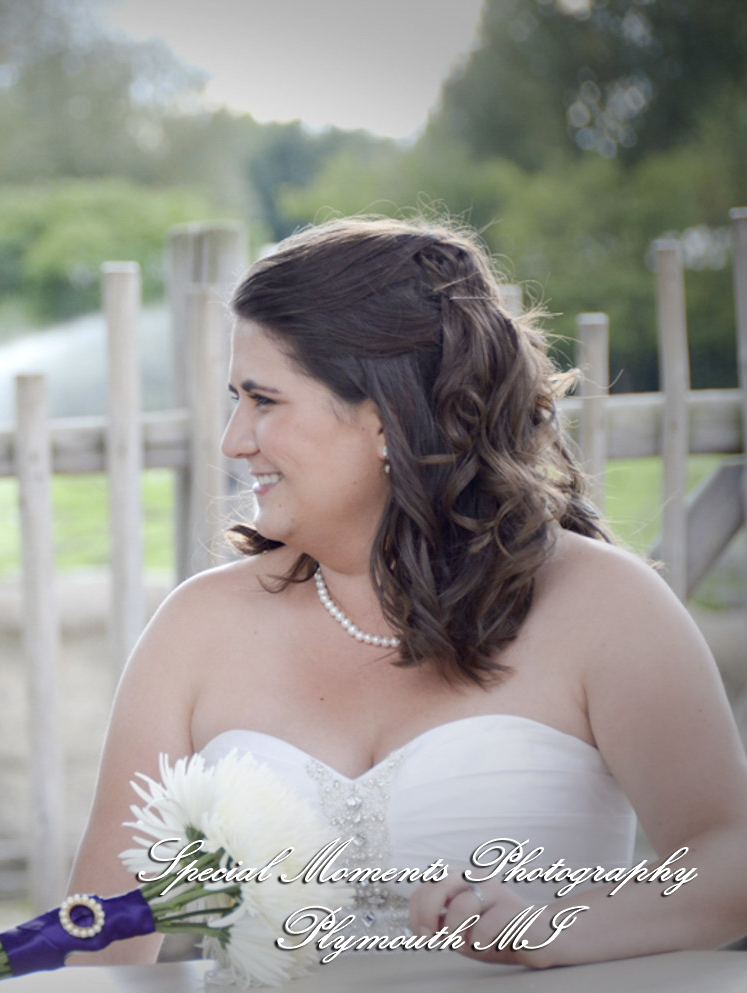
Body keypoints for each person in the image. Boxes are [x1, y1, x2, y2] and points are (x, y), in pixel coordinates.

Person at [68, 216, 747, 968]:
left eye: (263, 400)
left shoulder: (602, 605)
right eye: (237, 398)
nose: (234, 439)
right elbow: (99, 945)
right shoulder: (197, 628)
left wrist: (548, 931)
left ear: (386, 418)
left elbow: (730, 860)